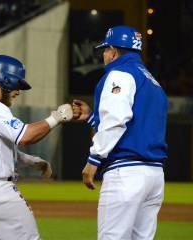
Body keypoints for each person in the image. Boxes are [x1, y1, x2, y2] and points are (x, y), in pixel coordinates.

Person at [0, 55, 73, 240]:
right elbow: (25, 136)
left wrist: (31, 161)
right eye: (17, 84)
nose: (18, 91)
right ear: (5, 79)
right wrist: (56, 118)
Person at [72, 26, 168, 240]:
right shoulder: (153, 81)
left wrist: (93, 159)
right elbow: (136, 122)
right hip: (154, 176)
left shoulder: (120, 73)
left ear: (113, 51)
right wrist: (91, 117)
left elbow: (116, 119)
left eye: (105, 50)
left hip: (126, 173)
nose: (104, 55)